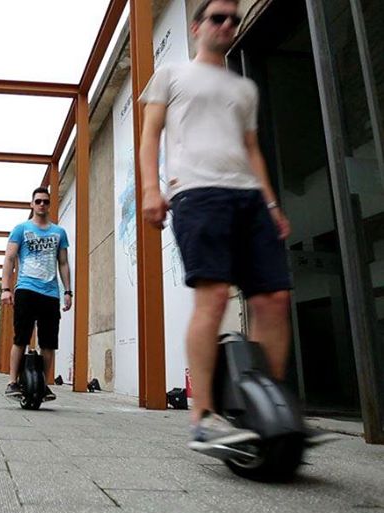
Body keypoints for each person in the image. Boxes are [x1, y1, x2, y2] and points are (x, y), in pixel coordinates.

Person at [139, 0, 334, 450]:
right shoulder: (171, 75)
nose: (227, 24)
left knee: (274, 299)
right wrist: (151, 189)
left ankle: (272, 411)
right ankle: (204, 417)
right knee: (211, 299)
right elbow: (150, 134)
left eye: (233, 19)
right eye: (217, 18)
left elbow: (251, 149)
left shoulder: (245, 88)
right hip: (197, 194)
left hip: (249, 198)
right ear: (196, 27)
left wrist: (271, 203)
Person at [1, 187, 72, 401]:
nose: (42, 204)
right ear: (32, 204)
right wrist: (5, 289)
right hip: (26, 290)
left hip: (50, 294)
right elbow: (9, 259)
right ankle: (12, 382)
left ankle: (44, 385)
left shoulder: (59, 232)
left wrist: (68, 291)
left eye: (45, 201)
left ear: (49, 205)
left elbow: (63, 263)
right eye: (38, 201)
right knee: (21, 338)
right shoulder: (21, 229)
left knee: (49, 343)